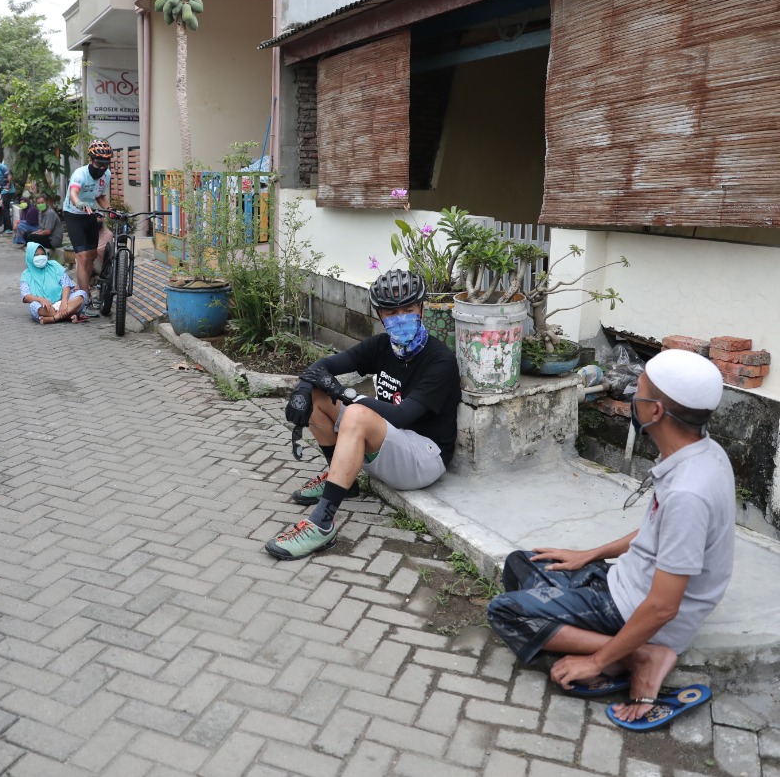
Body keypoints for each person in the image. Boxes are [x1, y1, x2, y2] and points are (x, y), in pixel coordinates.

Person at [486, 349, 733, 732]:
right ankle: (609, 648)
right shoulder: (703, 452)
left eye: (640, 391)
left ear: (655, 412)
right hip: (623, 583)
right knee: (522, 562)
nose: (633, 396)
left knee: (505, 610)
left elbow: (663, 607)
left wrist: (595, 662)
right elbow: (660, 532)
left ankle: (638, 657)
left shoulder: (690, 493)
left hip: (637, 609)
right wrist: (590, 554)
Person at [267, 269, 460, 560]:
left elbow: (402, 416)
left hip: (425, 456)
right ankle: (343, 479)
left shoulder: (440, 360)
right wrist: (302, 390)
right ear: (380, 315)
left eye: (408, 308)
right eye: (392, 311)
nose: (401, 316)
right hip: (391, 442)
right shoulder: (381, 346)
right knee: (319, 396)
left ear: (422, 308)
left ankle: (321, 524)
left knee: (356, 412)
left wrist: (347, 394)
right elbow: (323, 366)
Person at [65, 140, 113, 312]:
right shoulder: (80, 174)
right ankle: (86, 298)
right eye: (99, 164)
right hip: (74, 215)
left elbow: (100, 196)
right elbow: (73, 193)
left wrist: (110, 209)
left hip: (90, 214)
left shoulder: (106, 175)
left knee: (91, 256)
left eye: (105, 164)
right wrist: (79, 203)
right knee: (83, 258)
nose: (102, 168)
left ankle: (83, 287)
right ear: (91, 160)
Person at [20, 242, 87, 324]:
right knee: (34, 306)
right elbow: (26, 296)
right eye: (36, 255)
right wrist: (41, 300)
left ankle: (54, 318)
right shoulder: (26, 274)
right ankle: (68, 316)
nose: (40, 257)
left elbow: (65, 284)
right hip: (46, 307)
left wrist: (64, 303)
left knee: (82, 294)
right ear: (30, 257)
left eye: (42, 254)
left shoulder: (54, 265)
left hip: (64, 302)